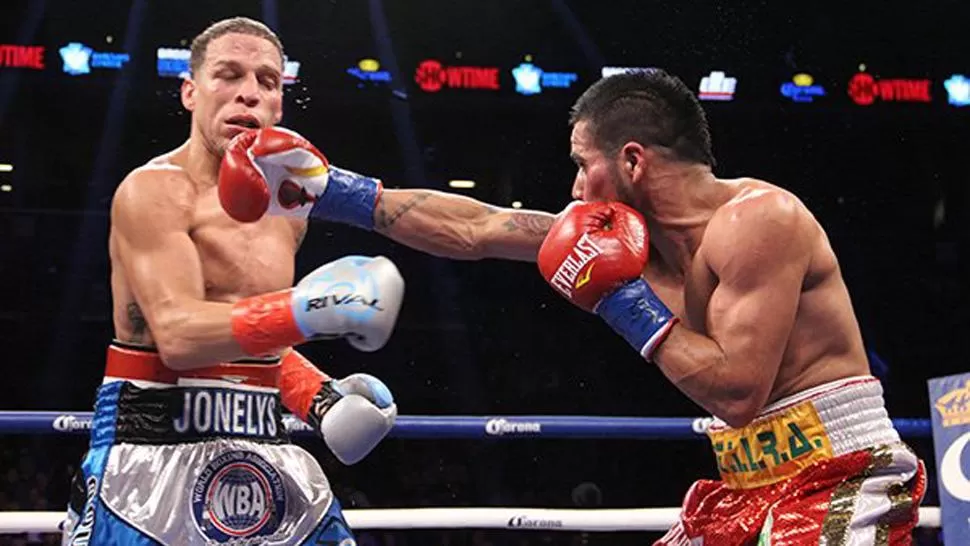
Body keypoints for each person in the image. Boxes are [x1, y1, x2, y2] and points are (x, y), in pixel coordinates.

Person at [222, 68, 927, 544]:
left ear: (632, 161)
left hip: (841, 473)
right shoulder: (628, 238)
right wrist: (332, 189)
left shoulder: (759, 220)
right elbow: (478, 227)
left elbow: (739, 390)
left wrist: (619, 299)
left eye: (581, 163)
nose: (573, 185)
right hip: (745, 481)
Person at [61, 17, 406, 546]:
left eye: (267, 82)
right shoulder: (152, 191)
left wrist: (320, 398)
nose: (248, 93)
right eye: (228, 75)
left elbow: (248, 331)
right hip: (150, 459)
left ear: (280, 105)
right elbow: (178, 335)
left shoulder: (289, 206)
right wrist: (311, 309)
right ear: (190, 92)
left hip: (266, 447)